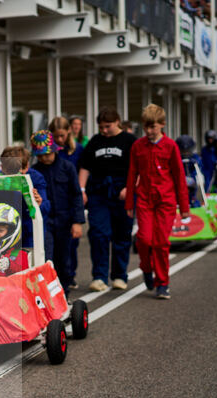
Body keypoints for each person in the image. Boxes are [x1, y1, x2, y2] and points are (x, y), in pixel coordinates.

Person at [125, 104, 189, 300]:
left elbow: (179, 176)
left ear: (162, 125)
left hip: (166, 201)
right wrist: (129, 204)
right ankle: (146, 268)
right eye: (146, 127)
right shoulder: (138, 146)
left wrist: (184, 207)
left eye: (153, 127)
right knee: (144, 239)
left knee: (161, 242)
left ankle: (163, 283)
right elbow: (131, 175)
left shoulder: (171, 146)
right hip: (144, 199)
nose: (150, 131)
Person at [78, 107, 136, 292]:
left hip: (122, 193)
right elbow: (85, 167)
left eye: (107, 126)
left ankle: (119, 275)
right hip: (99, 194)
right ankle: (99, 276)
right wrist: (82, 189)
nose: (104, 130)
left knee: (121, 236)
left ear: (117, 122)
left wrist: (130, 188)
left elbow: (138, 169)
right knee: (98, 234)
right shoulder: (95, 141)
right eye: (101, 127)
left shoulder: (129, 141)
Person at [31, 130, 85, 295]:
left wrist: (77, 222)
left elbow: (76, 195)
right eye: (40, 155)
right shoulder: (34, 172)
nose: (44, 158)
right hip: (45, 222)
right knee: (47, 258)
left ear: (55, 150)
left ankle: (64, 292)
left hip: (65, 220)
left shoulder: (67, 168)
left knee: (64, 260)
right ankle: (48, 294)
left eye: (47, 154)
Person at [0, 145, 47, 249]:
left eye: (17, 172)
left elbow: (46, 207)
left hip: (30, 233)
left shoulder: (36, 178)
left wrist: (39, 204)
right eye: (9, 172)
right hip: (5, 234)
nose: (14, 177)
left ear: (26, 166)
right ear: (2, 167)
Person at [50, 116, 83, 289]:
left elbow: (82, 174)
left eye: (62, 136)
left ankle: (70, 274)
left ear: (68, 131)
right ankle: (60, 277)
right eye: (56, 137)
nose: (59, 140)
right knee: (55, 248)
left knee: (71, 244)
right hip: (54, 205)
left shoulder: (77, 150)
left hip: (69, 203)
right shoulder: (49, 153)